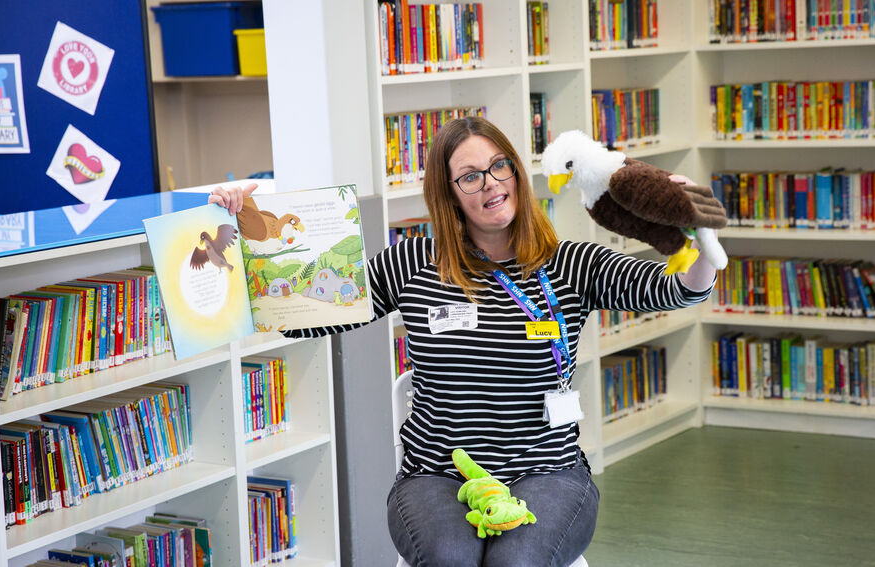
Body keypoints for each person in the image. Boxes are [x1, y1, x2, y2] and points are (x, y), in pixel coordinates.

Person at [209, 116, 719, 567]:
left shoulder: (569, 263)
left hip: (548, 469)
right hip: (436, 472)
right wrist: (241, 230)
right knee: (451, 558)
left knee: (516, 561)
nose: (491, 184)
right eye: (470, 176)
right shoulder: (412, 263)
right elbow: (309, 315)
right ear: (449, 193)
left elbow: (676, 290)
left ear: (516, 173)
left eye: (500, 166)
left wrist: (703, 245)